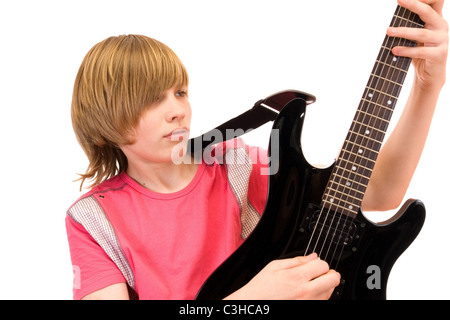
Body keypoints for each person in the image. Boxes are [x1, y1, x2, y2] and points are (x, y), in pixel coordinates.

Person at [66, 0, 448, 300]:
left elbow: (381, 191)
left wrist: (427, 87)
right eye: (152, 100)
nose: (177, 110)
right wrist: (254, 299)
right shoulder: (93, 218)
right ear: (103, 124)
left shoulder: (233, 164)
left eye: (179, 92)